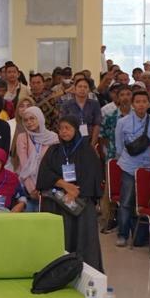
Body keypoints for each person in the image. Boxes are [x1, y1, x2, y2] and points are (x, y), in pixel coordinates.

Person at [36, 115, 104, 271]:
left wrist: (75, 192)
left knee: (84, 238)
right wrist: (64, 185)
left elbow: (93, 175)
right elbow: (44, 174)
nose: (64, 132)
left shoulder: (87, 150)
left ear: (75, 129)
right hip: (58, 200)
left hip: (80, 202)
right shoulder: (54, 150)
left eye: (68, 128)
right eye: (61, 128)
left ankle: (86, 272)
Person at [113, 88, 150, 247]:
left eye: (144, 102)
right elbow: (119, 145)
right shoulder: (123, 122)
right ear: (133, 104)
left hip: (149, 167)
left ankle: (146, 235)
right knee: (126, 201)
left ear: (149, 104)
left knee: (148, 201)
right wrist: (125, 159)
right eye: (138, 102)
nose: (141, 105)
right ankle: (123, 234)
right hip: (129, 166)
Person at [14, 107, 57, 212]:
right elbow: (24, 167)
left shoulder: (53, 138)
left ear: (40, 118)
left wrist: (43, 189)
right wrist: (32, 190)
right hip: (28, 189)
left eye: (32, 118)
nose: (29, 122)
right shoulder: (22, 138)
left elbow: (54, 166)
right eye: (26, 120)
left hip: (48, 188)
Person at [61, 77, 103, 147]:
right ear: (75, 89)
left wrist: (92, 144)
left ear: (89, 90)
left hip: (89, 139)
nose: (82, 89)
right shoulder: (66, 105)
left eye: (85, 87)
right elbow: (63, 124)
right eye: (80, 86)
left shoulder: (94, 104)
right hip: (71, 140)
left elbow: (97, 124)